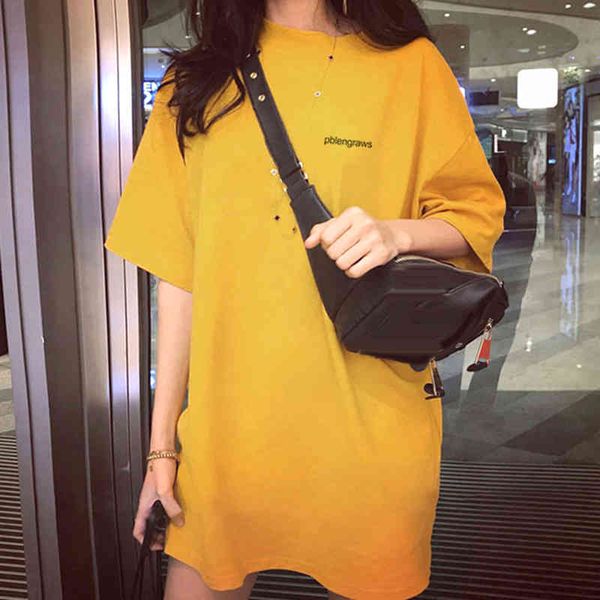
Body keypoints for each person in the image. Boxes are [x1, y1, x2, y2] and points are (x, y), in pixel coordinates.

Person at [103, 1, 506, 598]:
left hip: (368, 431)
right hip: (227, 438)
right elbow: (179, 278)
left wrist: (397, 234)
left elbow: (474, 216)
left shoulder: (411, 66)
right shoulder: (194, 83)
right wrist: (163, 447)